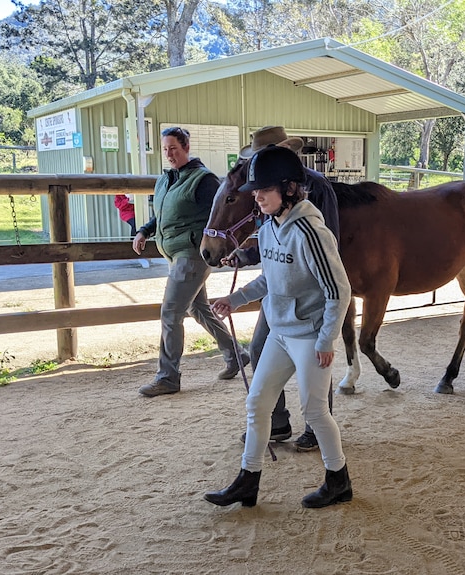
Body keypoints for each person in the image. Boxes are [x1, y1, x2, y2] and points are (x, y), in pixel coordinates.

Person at [205, 145, 353, 508]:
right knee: (257, 402)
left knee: (316, 412)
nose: (257, 197)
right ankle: (247, 480)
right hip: (281, 332)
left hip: (309, 336)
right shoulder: (269, 227)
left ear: (289, 189)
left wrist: (326, 339)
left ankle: (339, 480)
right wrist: (235, 299)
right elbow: (271, 280)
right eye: (255, 192)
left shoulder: (309, 231)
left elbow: (339, 290)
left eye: (264, 190)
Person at [225, 126, 340, 452]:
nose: (257, 194)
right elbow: (270, 237)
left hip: (310, 295)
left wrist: (326, 323)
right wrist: (246, 256)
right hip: (279, 290)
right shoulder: (264, 192)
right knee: (259, 347)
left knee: (316, 374)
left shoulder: (314, 187)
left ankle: (319, 427)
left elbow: (327, 243)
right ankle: (276, 422)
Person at [132, 126, 248, 397]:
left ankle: (168, 376)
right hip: (175, 254)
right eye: (165, 149)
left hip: (194, 254)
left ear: (186, 147)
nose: (169, 154)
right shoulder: (167, 179)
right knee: (198, 309)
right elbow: (162, 214)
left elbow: (221, 215)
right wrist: (144, 231)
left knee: (171, 312)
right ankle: (236, 354)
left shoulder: (204, 180)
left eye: (173, 148)